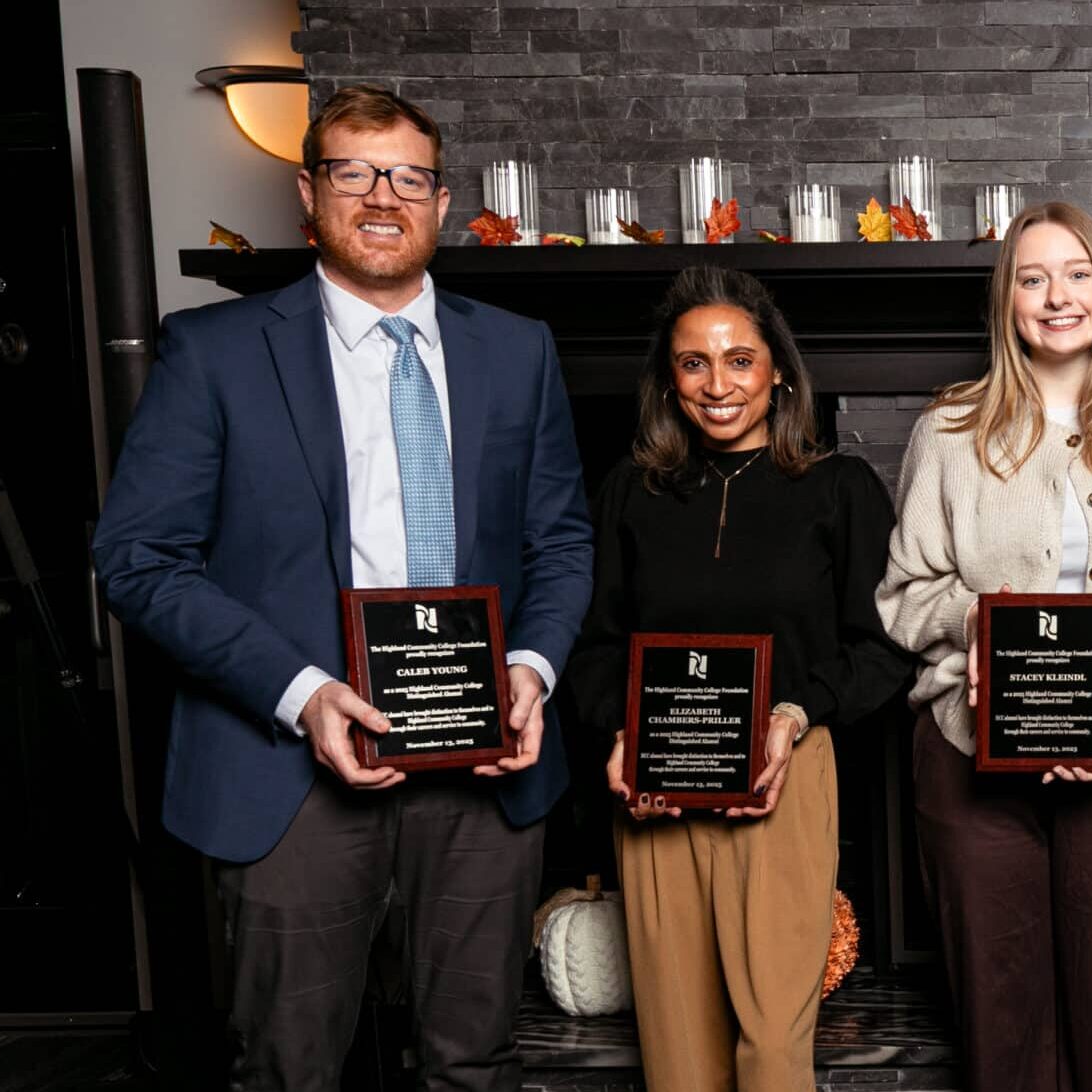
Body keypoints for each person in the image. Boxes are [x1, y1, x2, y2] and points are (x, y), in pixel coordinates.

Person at [91, 86, 591, 1089]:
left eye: (408, 176)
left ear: (442, 202)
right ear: (307, 195)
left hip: (481, 766)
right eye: (354, 172)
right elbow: (137, 557)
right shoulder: (216, 353)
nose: (382, 197)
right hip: (289, 774)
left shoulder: (518, 349)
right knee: (291, 1067)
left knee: (475, 1062)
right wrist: (303, 693)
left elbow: (560, 538)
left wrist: (532, 667)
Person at [876, 201, 1092, 1092]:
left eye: (1075, 274)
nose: (1055, 295)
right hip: (969, 759)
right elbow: (905, 596)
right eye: (1031, 278)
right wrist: (981, 631)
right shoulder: (948, 432)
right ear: (1009, 304)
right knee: (1001, 1030)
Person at [562, 266, 912, 1091]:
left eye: (740, 360)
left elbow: (883, 649)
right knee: (678, 1050)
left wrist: (796, 712)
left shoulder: (840, 489)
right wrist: (620, 733)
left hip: (785, 779)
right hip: (654, 786)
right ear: (668, 379)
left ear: (778, 369)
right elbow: (596, 645)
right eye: (693, 363)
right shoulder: (630, 494)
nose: (718, 385)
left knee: (773, 1042)